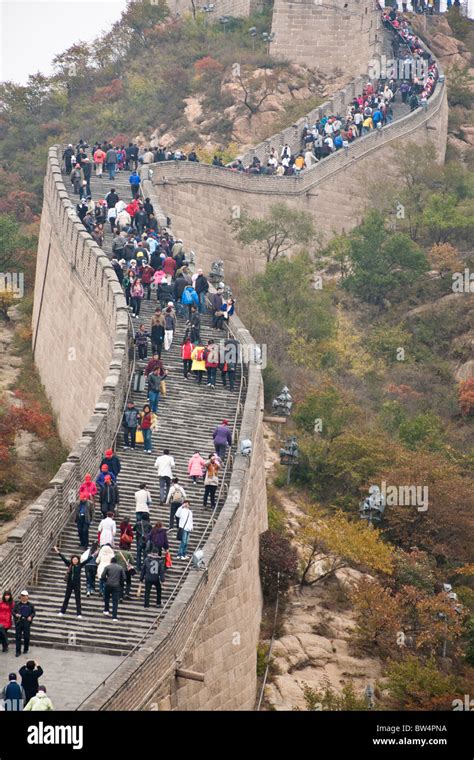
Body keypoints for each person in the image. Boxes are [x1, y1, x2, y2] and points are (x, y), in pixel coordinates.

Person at [54, 546, 85, 618]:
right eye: (73, 559)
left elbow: (87, 561)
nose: (75, 560)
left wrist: (94, 555)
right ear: (72, 560)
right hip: (70, 584)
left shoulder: (79, 566)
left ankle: (79, 613)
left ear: (78, 560)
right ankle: (62, 611)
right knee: (67, 597)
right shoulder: (70, 565)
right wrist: (58, 551)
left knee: (78, 598)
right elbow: (63, 559)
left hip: (77, 584)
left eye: (76, 559)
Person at [13, 591, 35, 657]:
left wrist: (30, 617)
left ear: (27, 597)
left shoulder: (30, 605)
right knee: (18, 637)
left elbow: (33, 613)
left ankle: (26, 649)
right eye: (22, 596)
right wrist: (16, 614)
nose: (24, 597)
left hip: (26, 622)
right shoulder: (17, 604)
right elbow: (13, 611)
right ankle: (18, 651)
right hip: (19, 622)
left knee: (26, 636)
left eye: (25, 596)